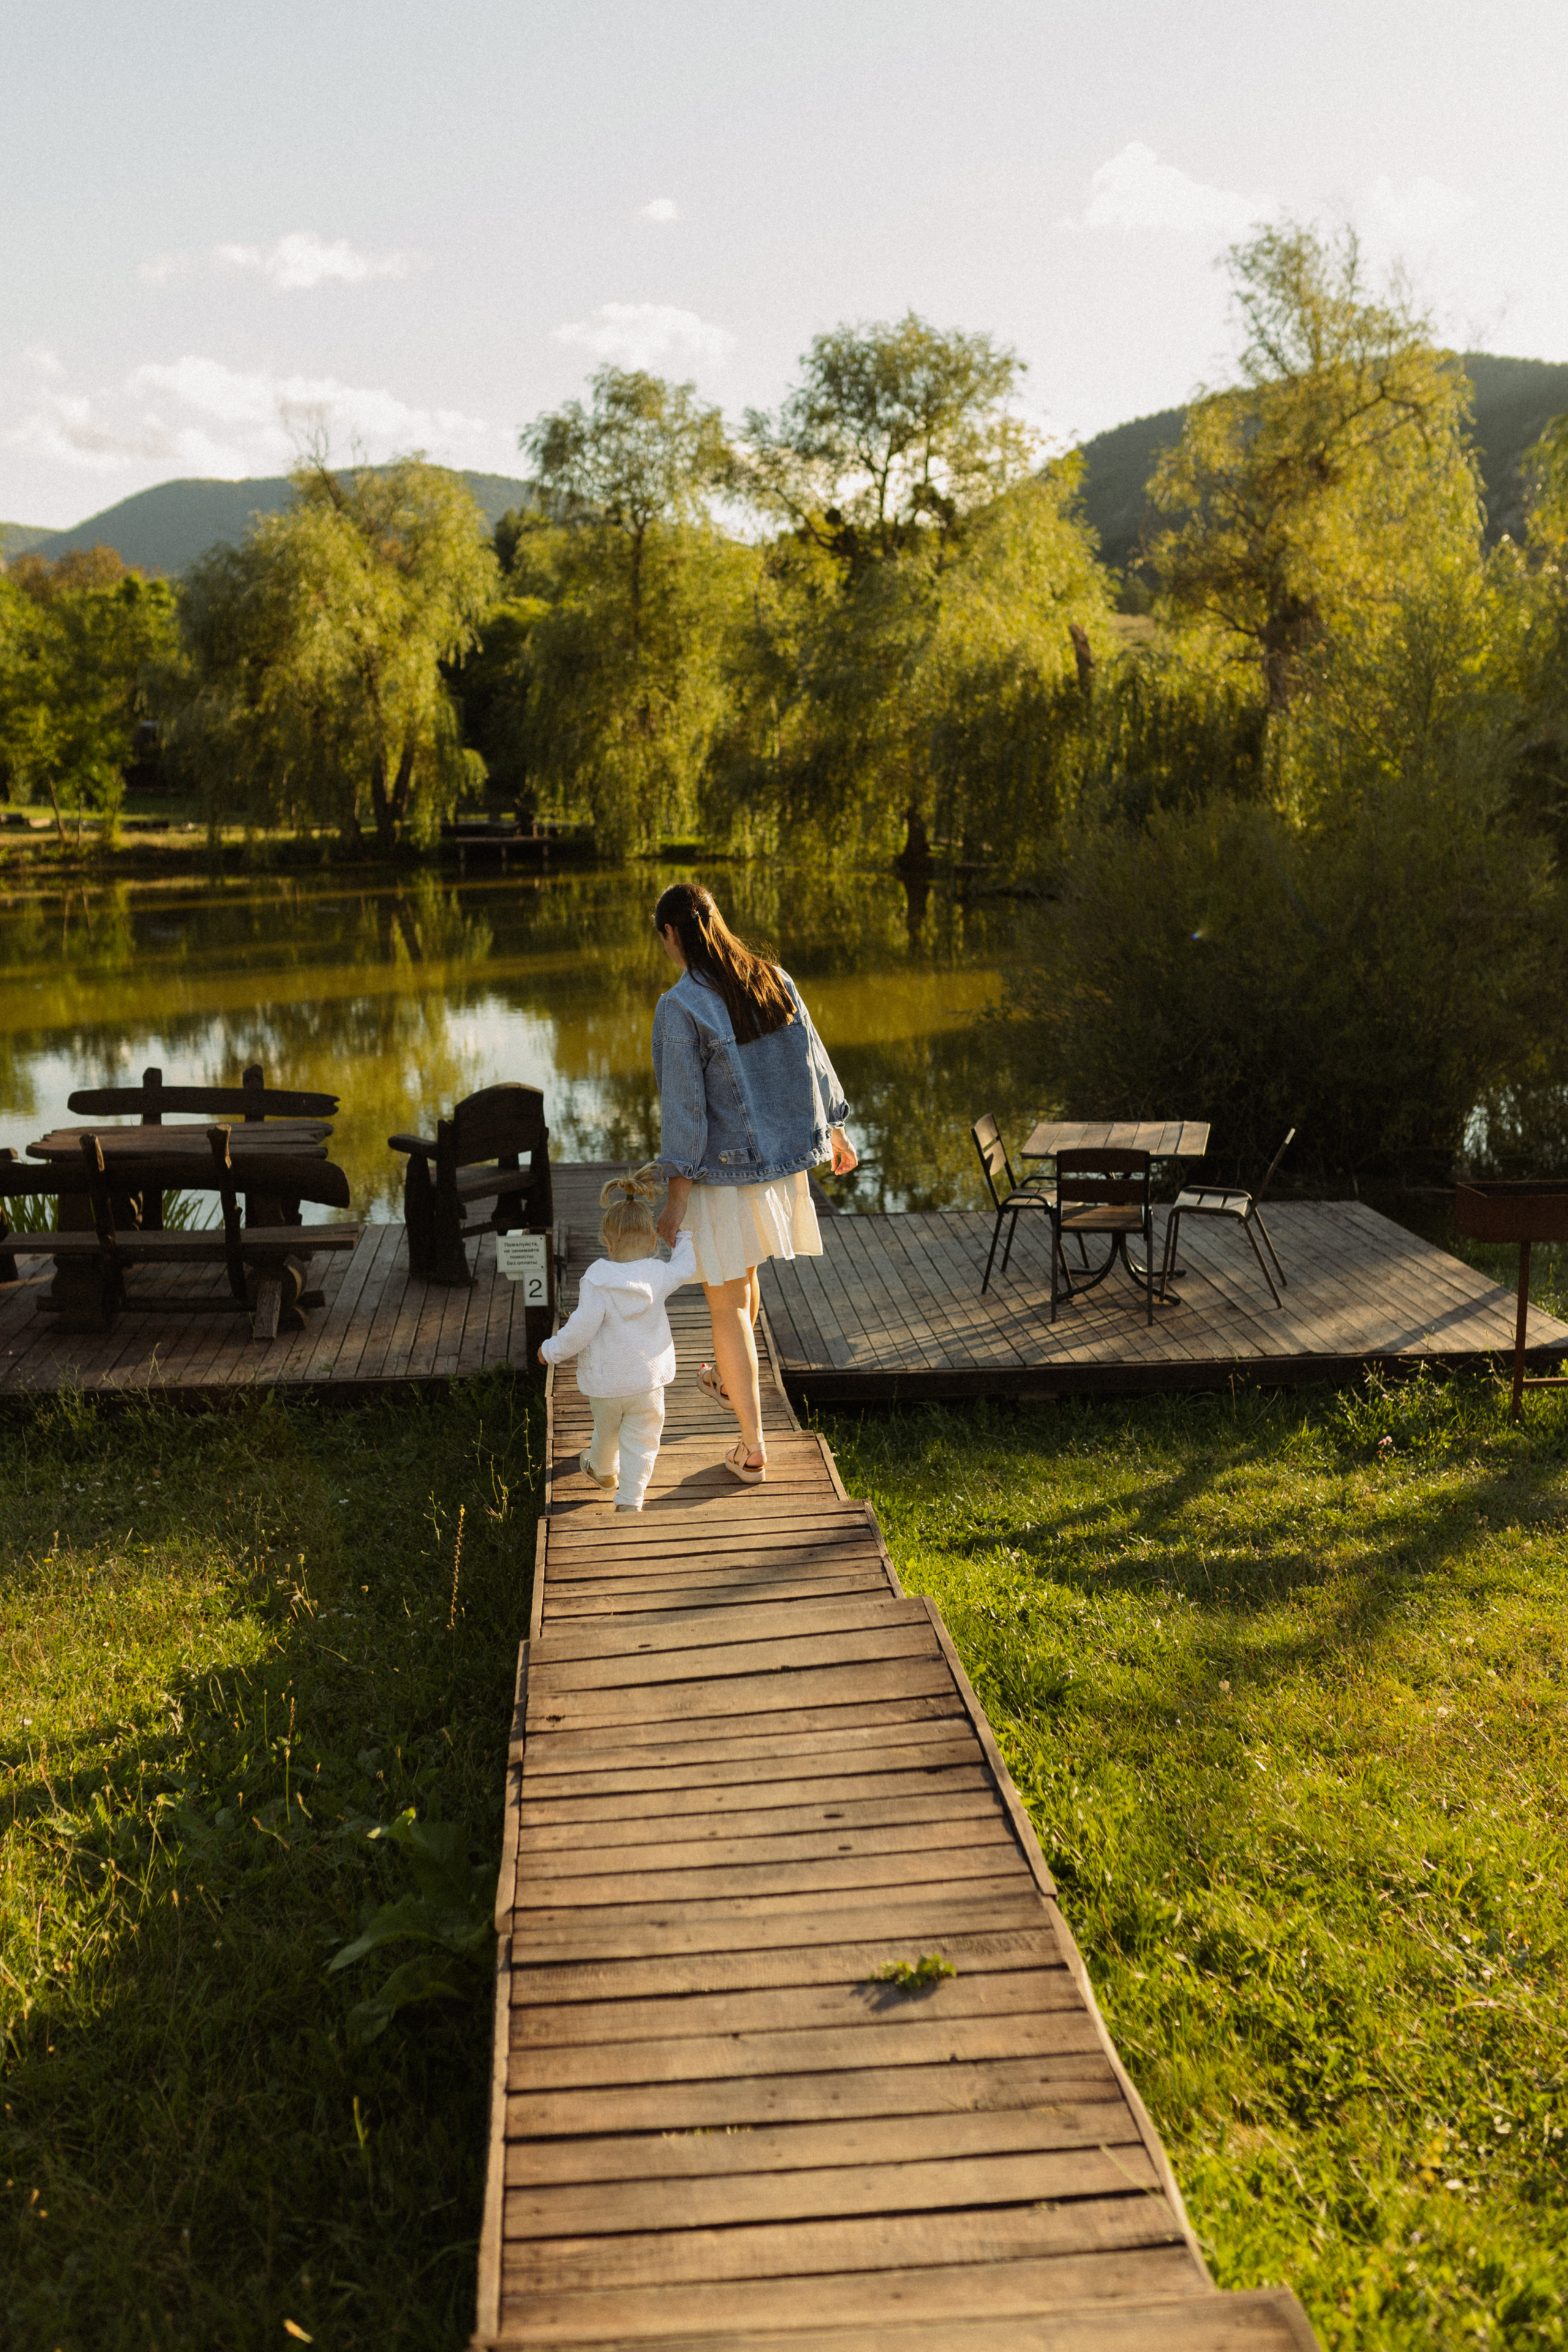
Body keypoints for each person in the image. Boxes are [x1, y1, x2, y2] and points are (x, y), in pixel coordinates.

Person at [650, 881, 857, 1484]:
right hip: (772, 1167)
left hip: (720, 1174)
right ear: (714, 921)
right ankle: (724, 1378)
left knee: (725, 1305)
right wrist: (836, 1131)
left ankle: (752, 1446)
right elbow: (811, 1058)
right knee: (743, 1287)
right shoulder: (771, 978)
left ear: (670, 934)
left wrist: (676, 1195)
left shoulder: (681, 1005)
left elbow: (685, 1111)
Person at [537, 1167, 696, 1512]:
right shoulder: (659, 1274)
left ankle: (603, 1470)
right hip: (649, 1382)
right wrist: (684, 1238)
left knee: (606, 1430)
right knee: (642, 1441)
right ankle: (629, 1500)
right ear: (654, 1242)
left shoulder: (598, 1279)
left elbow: (581, 1328)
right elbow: (685, 1268)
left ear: (607, 1242)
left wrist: (550, 1350)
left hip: (607, 1383)